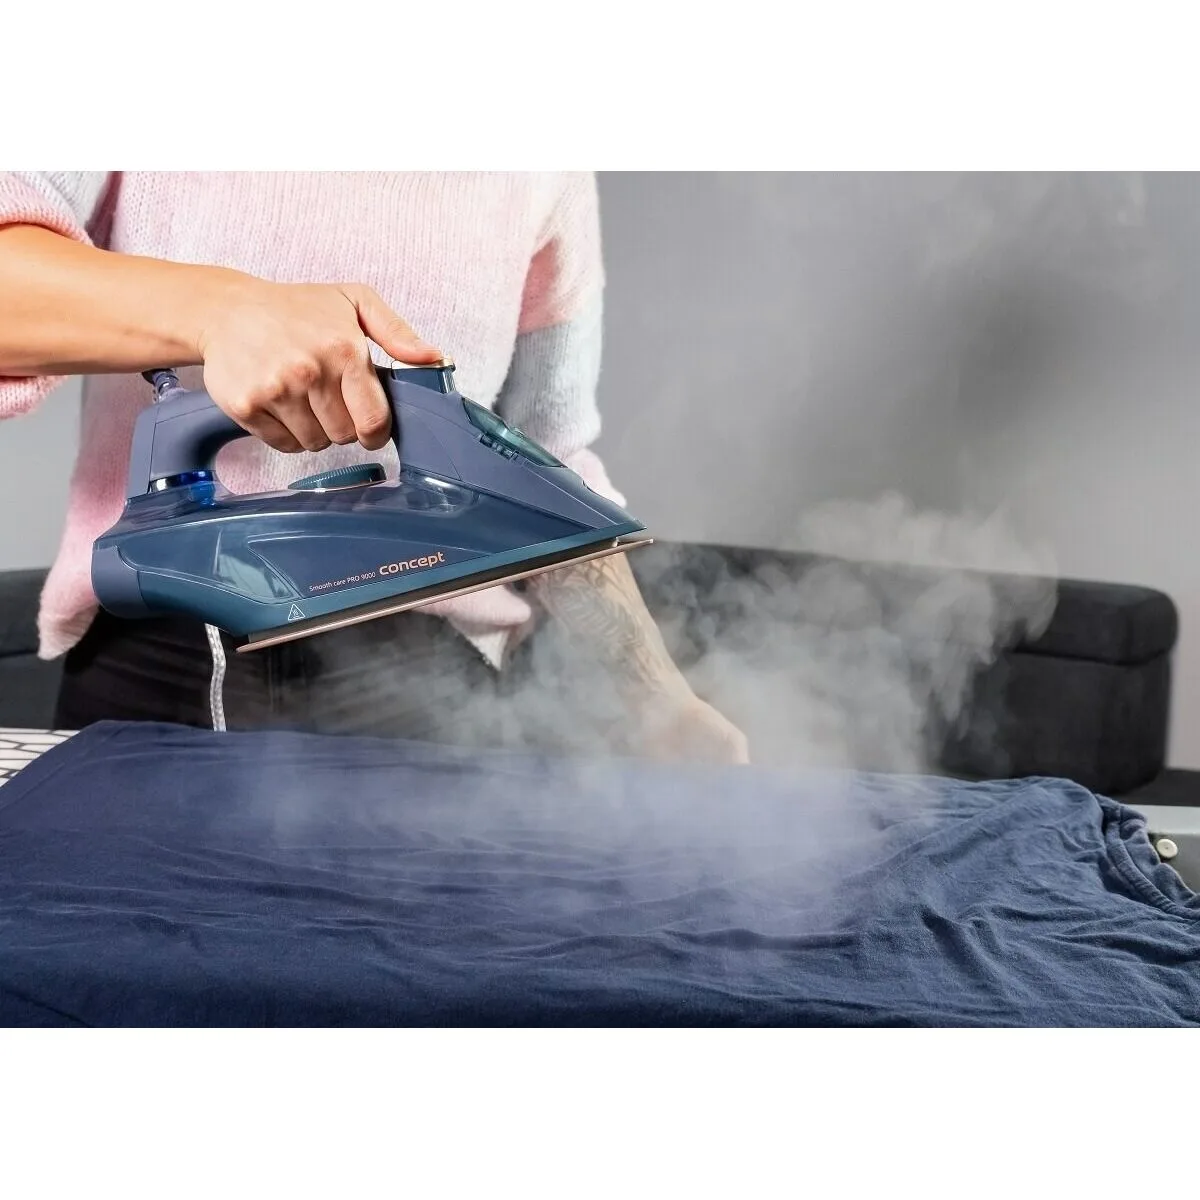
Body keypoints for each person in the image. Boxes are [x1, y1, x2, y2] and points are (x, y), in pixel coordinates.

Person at [0, 172, 748, 763]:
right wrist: (221, 313)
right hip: (163, 664)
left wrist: (656, 699)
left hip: (429, 693)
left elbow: (548, 463)